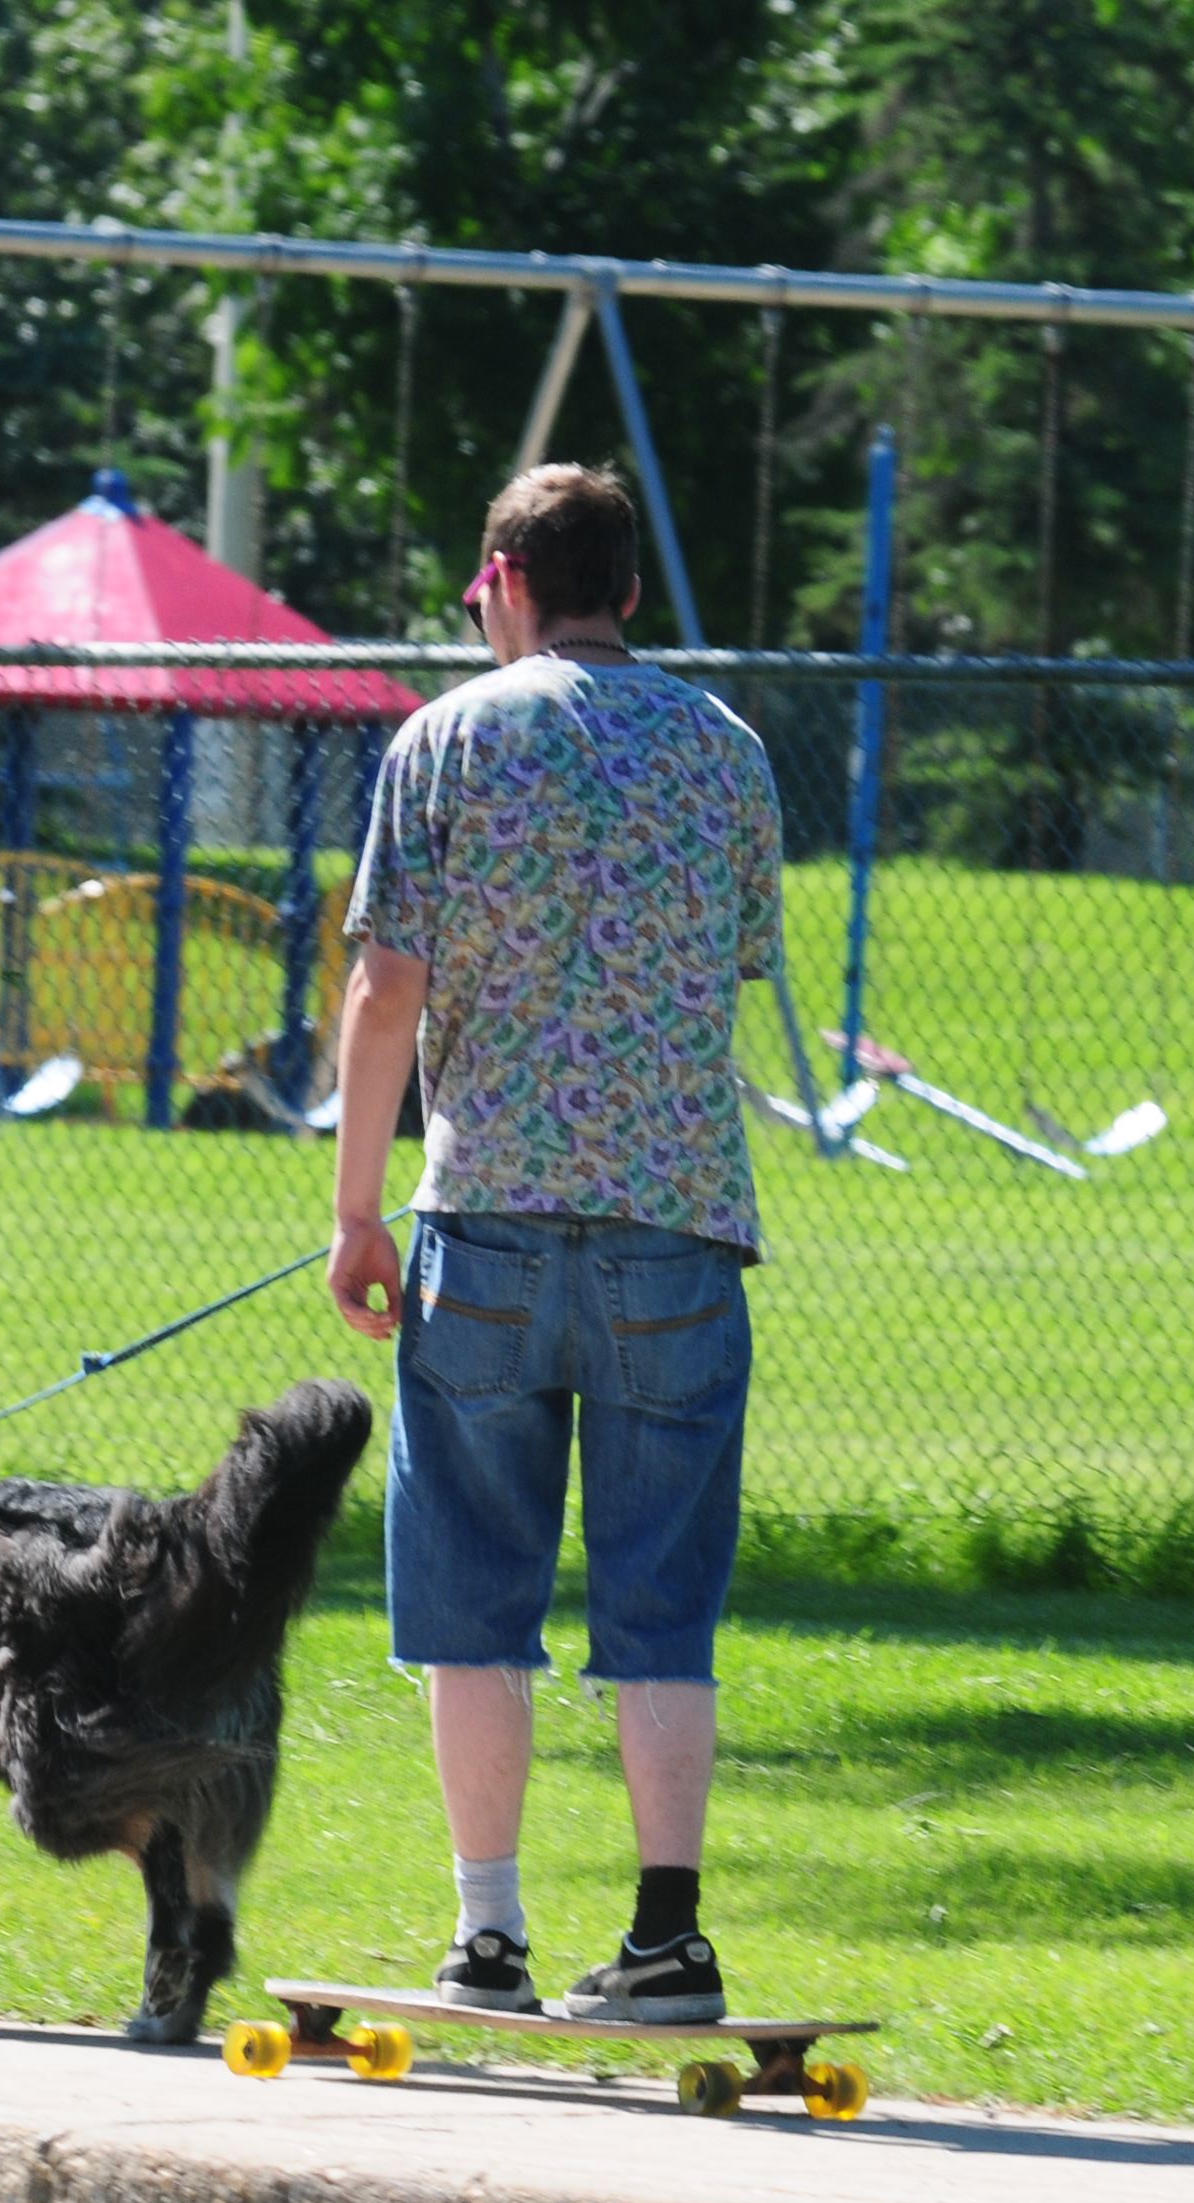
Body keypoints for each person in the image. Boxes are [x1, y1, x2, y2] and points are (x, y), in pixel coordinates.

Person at [321, 460, 787, 2026]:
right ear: (631, 592)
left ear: (505, 582)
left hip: (487, 1227)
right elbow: (723, 971)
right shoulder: (727, 754)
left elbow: (386, 990)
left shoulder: (443, 741)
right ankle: (667, 1938)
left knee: (473, 1592)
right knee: (662, 1603)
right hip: (677, 1231)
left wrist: (354, 1211)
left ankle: (492, 1934)